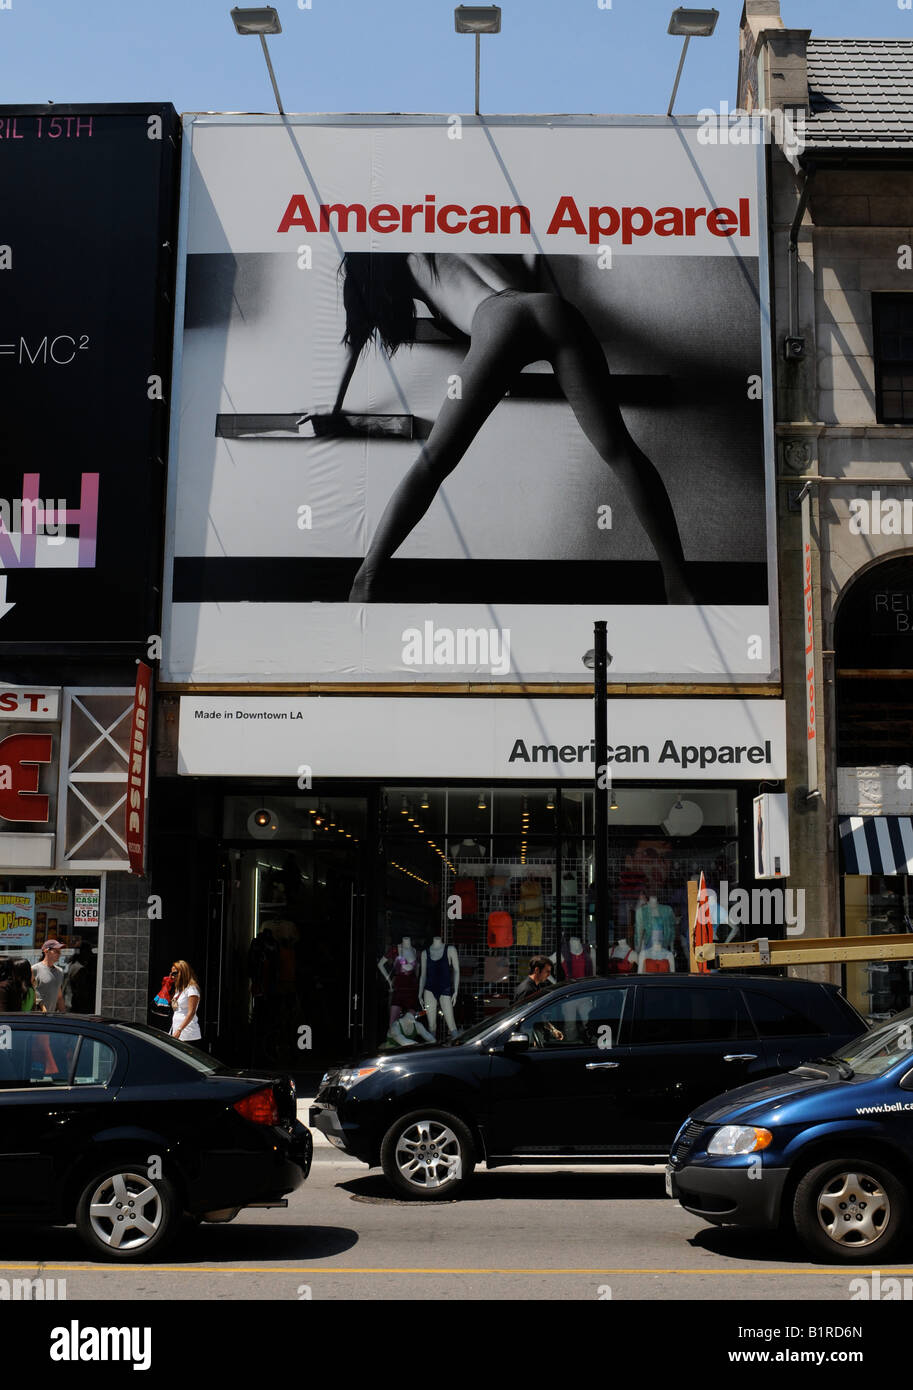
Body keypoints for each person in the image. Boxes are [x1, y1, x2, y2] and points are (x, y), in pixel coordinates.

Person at [321, 253, 691, 605]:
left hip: (499, 320)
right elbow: (520, 277)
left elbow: (356, 338)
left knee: (433, 462)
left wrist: (334, 405)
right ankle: (679, 584)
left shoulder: (401, 263)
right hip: (551, 308)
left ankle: (366, 578)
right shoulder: (445, 243)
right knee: (620, 449)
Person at [169, 960, 202, 1043]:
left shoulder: (192, 989)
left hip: (188, 1034)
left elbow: (191, 1012)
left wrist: (179, 1030)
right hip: (177, 1031)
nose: (172, 976)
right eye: (171, 973)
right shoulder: (179, 990)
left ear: (183, 973)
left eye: (174, 973)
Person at [33, 939, 66, 1013]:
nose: (59, 954)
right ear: (46, 951)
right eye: (56, 951)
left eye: (60, 952)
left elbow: (59, 997)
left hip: (51, 1018)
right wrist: (41, 1006)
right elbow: (30, 994)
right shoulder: (35, 969)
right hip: (36, 1017)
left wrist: (63, 1014)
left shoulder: (59, 971)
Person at [64, 941, 97, 1013]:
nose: (91, 954)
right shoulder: (80, 969)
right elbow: (81, 991)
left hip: (69, 1004)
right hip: (76, 1006)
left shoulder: (71, 965)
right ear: (83, 952)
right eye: (89, 951)